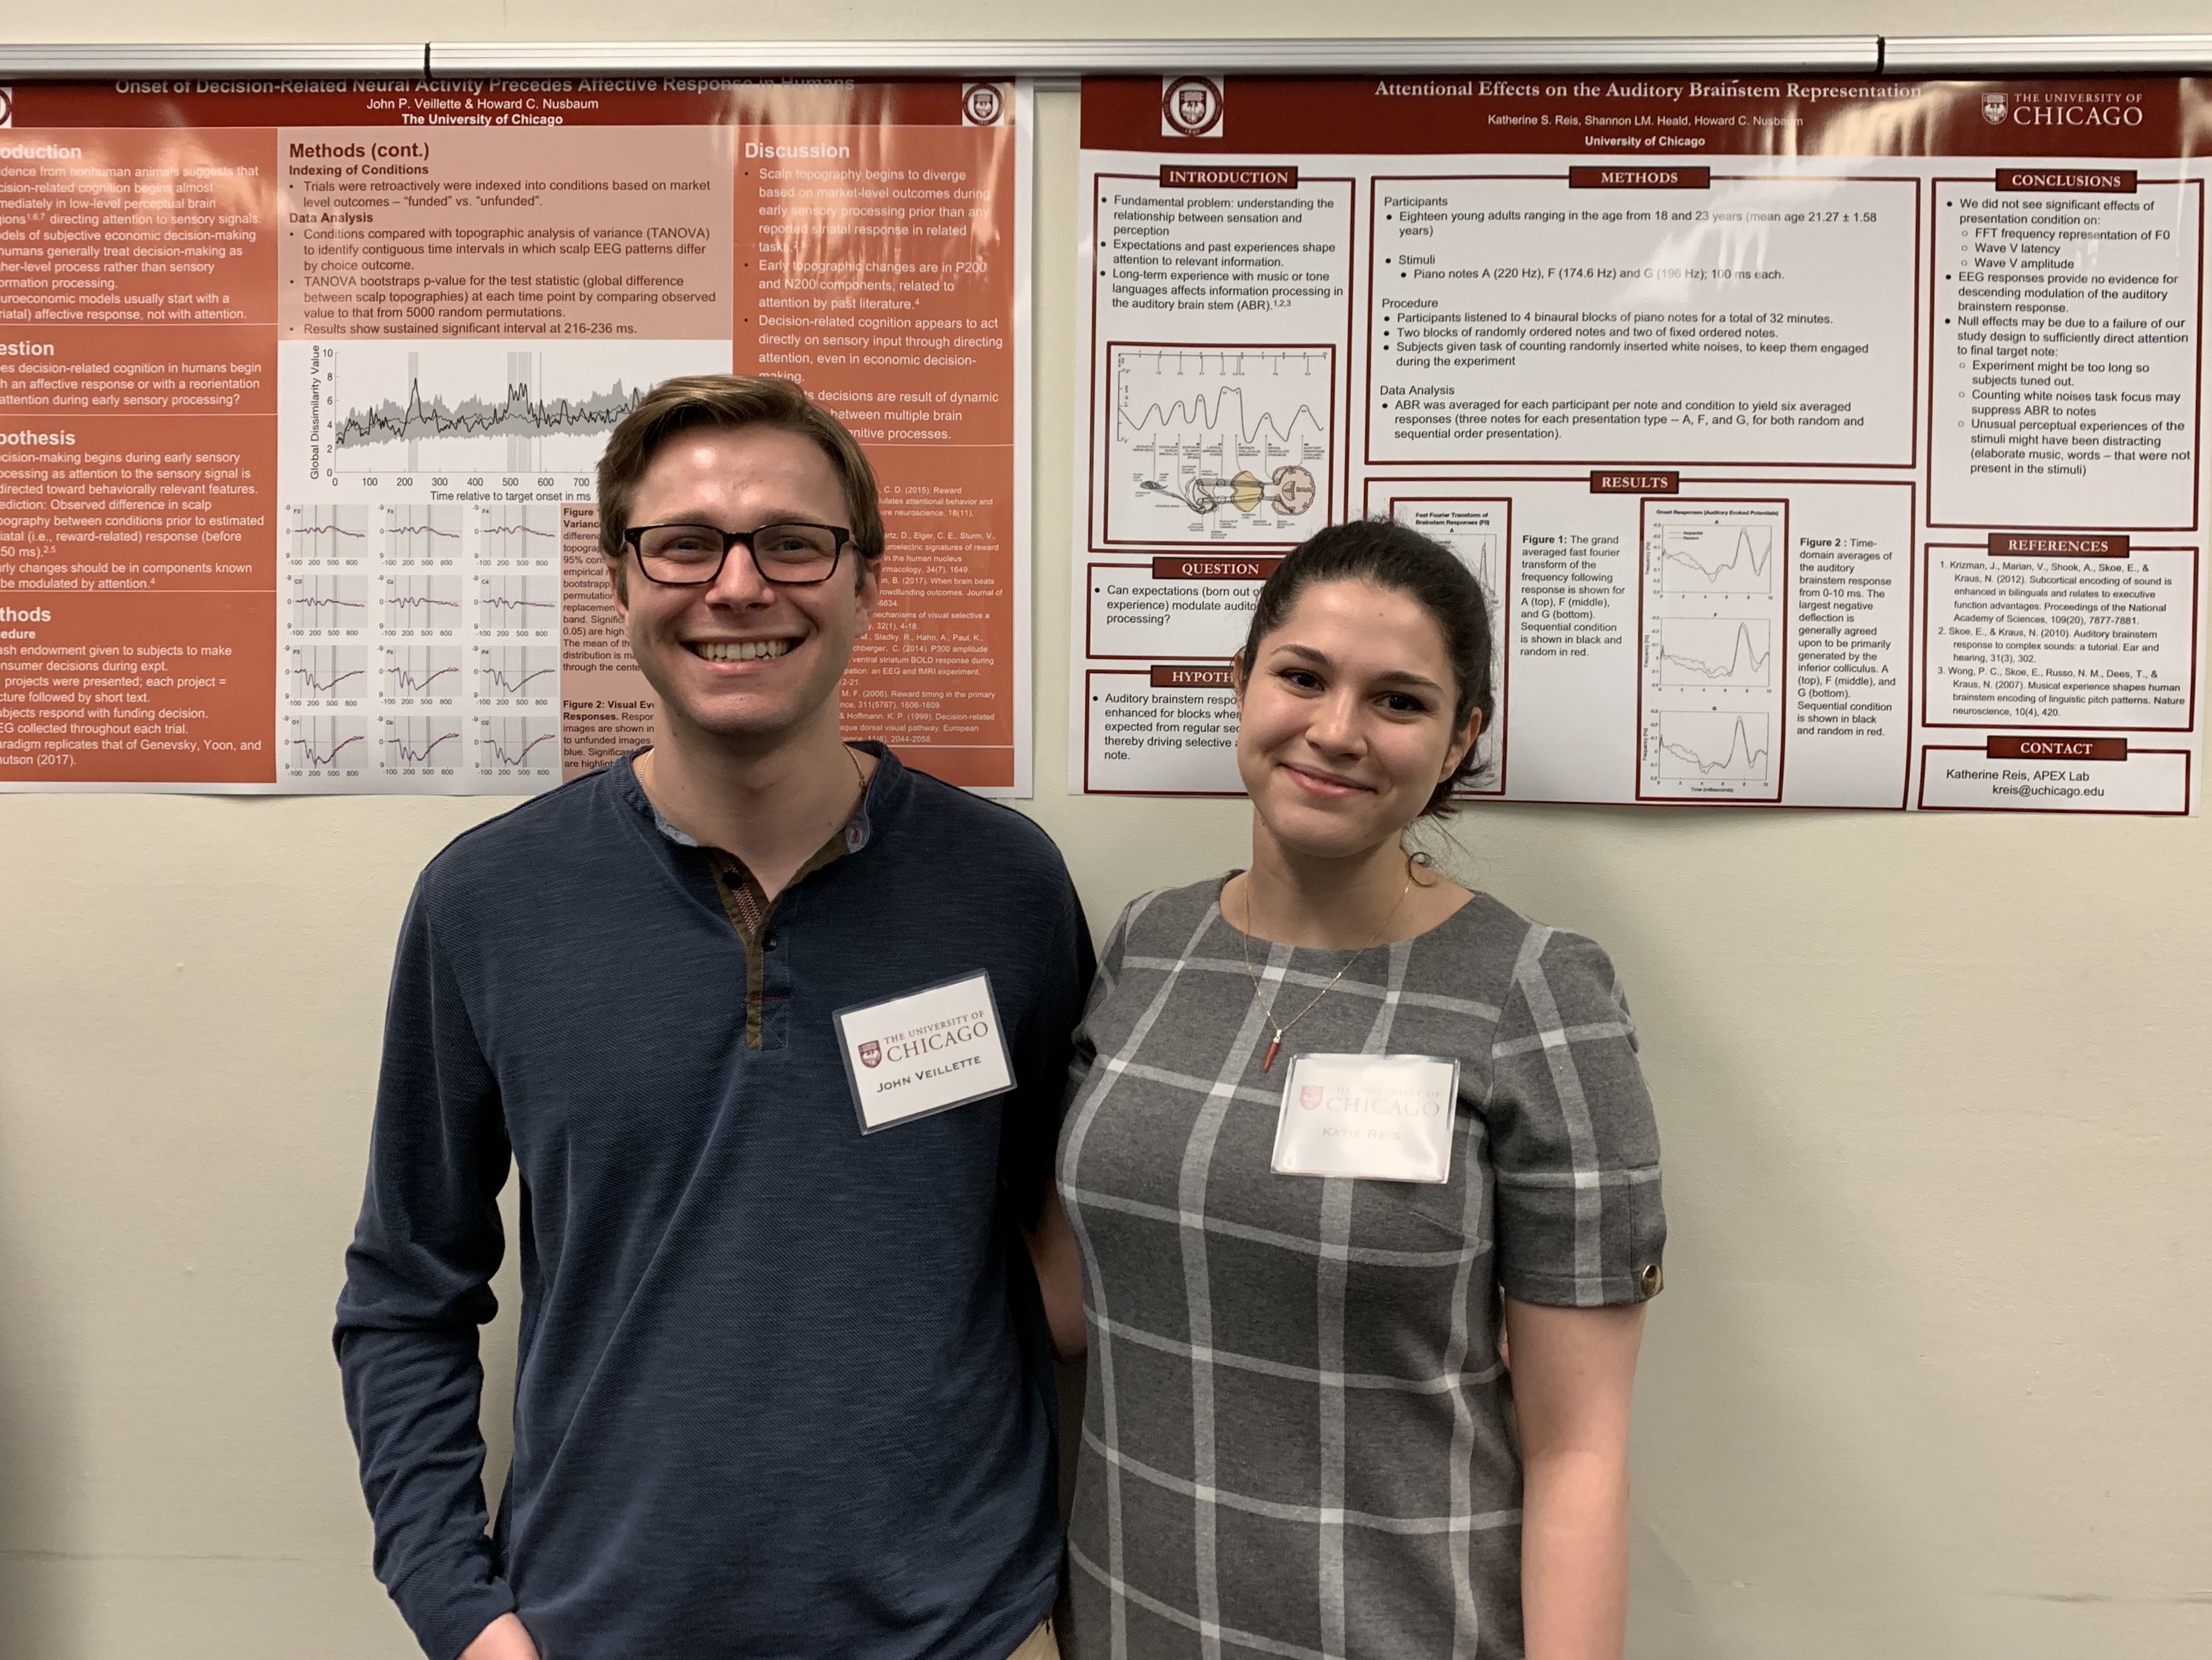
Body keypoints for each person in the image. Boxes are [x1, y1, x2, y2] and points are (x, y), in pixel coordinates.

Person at [335, 375, 1090, 1660]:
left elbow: (1066, 1244)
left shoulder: (1003, 890)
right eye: (684, 543)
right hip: (601, 1626)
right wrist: (460, 1613)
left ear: (866, 582)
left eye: (793, 543)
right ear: (620, 581)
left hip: (960, 1628)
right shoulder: (489, 902)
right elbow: (407, 1291)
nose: (738, 588)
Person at [1034, 518, 1666, 1660]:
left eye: (1400, 701)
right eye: (1303, 677)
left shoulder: (1535, 996)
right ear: (1243, 683)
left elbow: (1580, 1453)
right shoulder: (1149, 948)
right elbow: (1075, 1311)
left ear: (1461, 738)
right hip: (1132, 1625)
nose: (1335, 732)